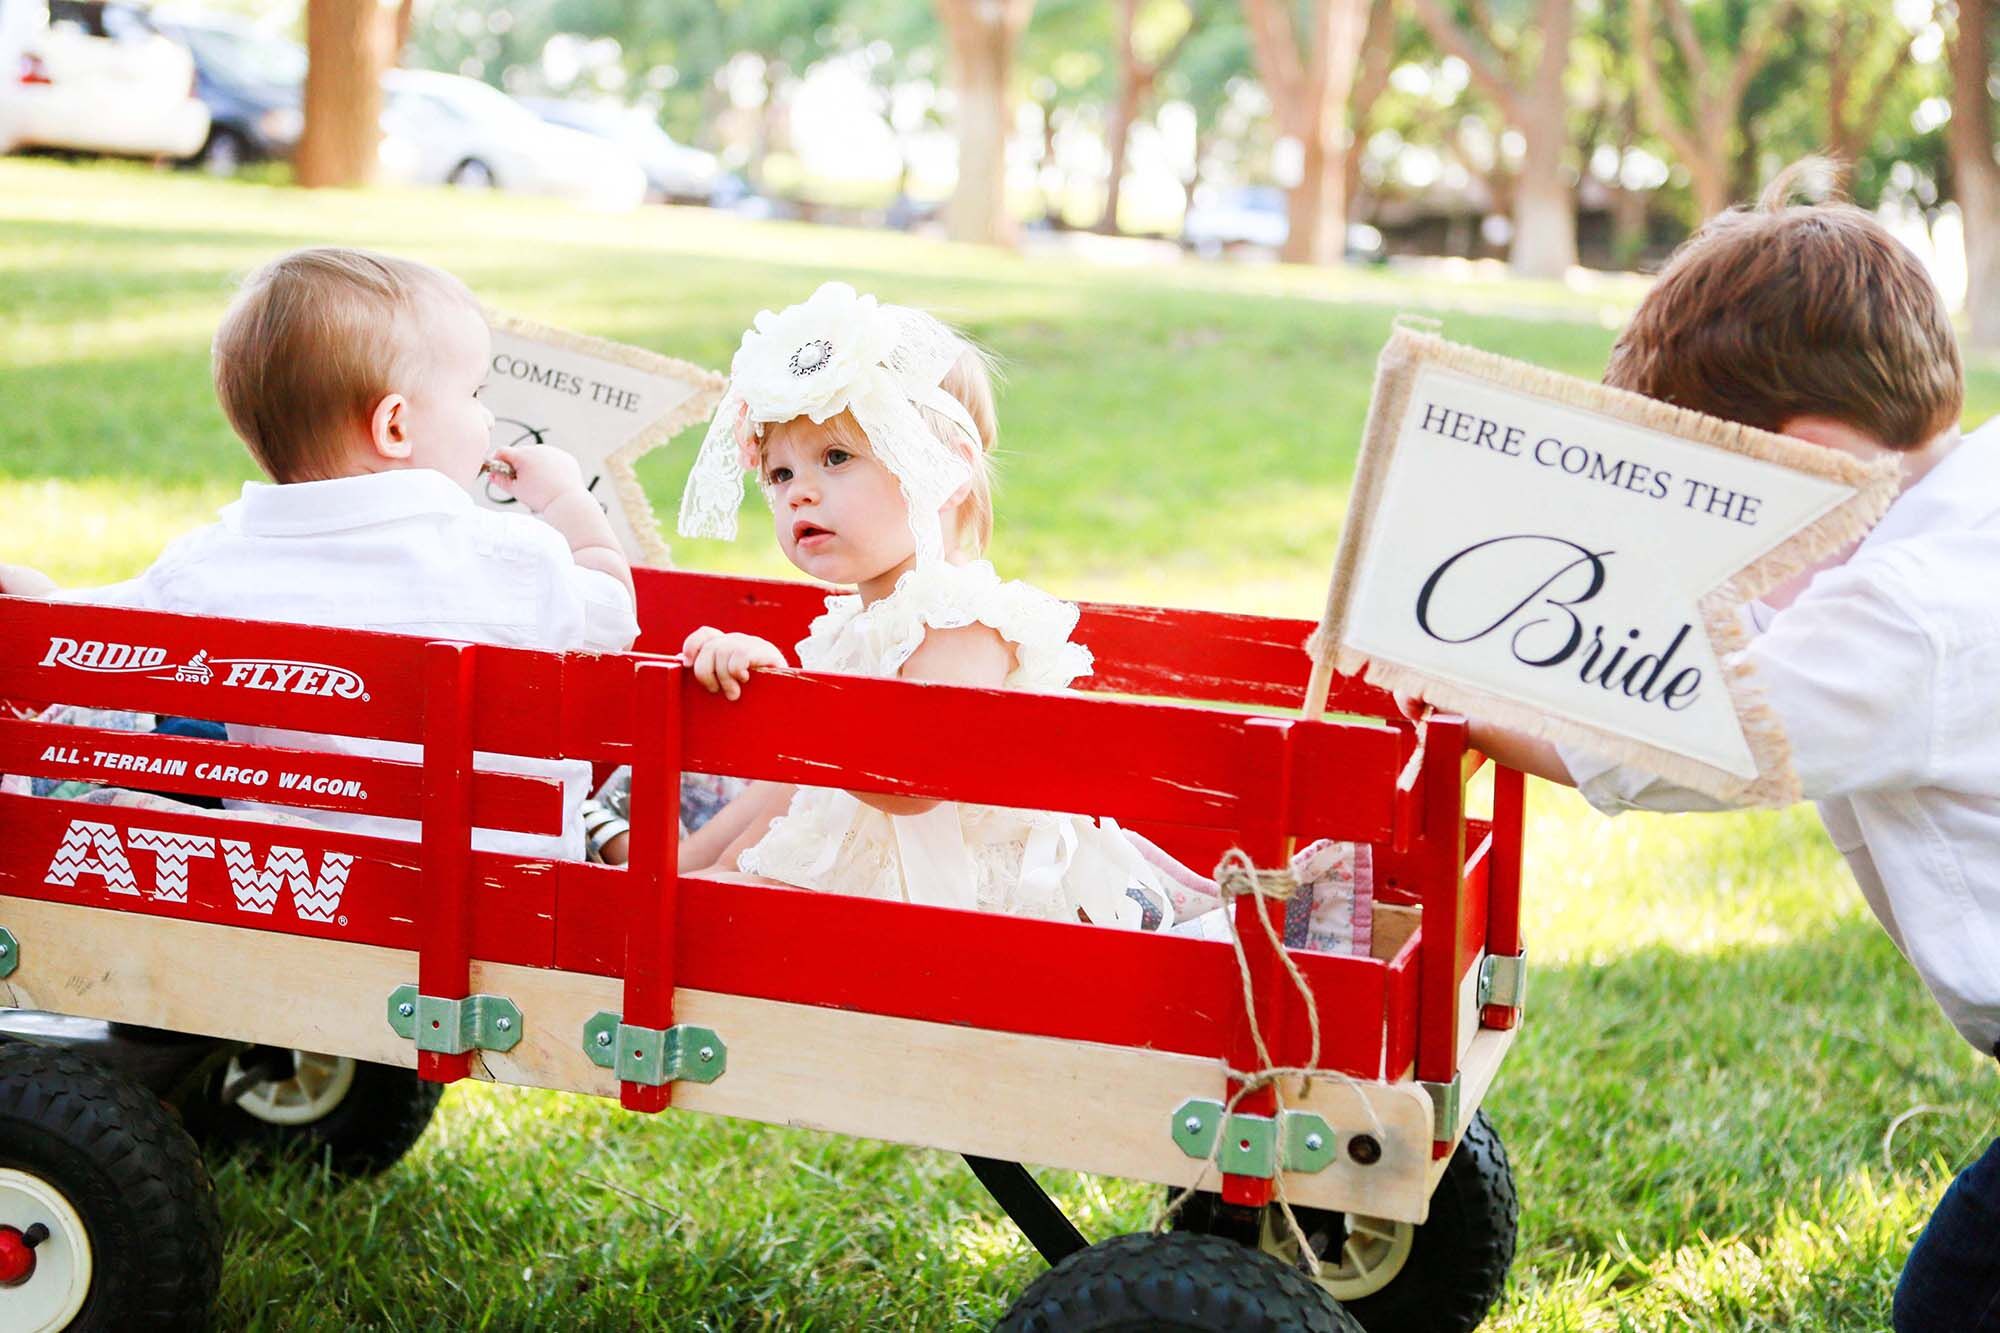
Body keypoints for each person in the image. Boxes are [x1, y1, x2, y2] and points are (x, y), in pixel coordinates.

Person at [1404, 167, 1998, 1330]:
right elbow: (1771, 617)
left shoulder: (1906, 617)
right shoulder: (1951, 513)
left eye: (1713, 501)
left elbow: (1649, 744)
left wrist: (1442, 689)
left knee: (1951, 1308)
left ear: (1813, 458)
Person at [6, 247, 639, 858]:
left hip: (307, 899)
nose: (487, 415)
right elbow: (614, 618)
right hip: (509, 907)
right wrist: (565, 505)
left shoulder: (204, 568)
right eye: (475, 394)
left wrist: (38, 598)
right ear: (395, 427)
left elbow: (90, 638)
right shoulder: (518, 558)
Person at [666, 281, 1196, 930]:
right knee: (708, 894)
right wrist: (678, 870)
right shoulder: (854, 630)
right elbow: (780, 798)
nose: (799, 493)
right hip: (867, 887)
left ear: (946, 469)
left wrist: (786, 703)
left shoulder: (964, 620)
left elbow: (910, 781)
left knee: (732, 913)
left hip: (954, 916)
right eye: (779, 473)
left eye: (835, 457)